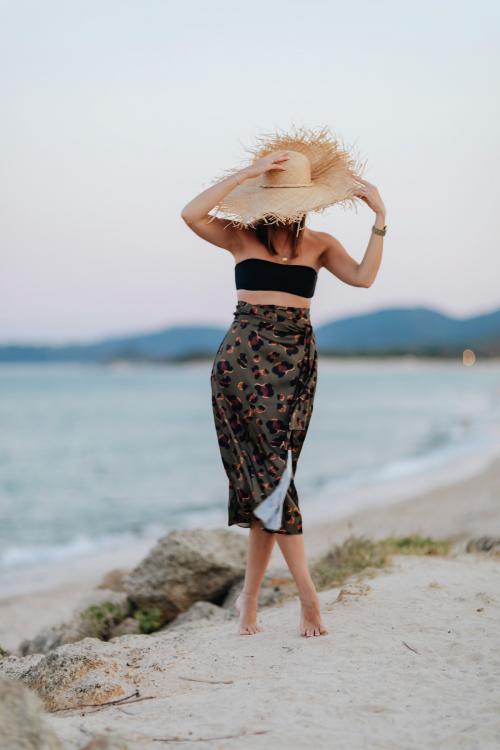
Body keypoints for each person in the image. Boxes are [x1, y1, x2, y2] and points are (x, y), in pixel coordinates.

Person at [181, 126, 387, 637]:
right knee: (273, 480)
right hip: (242, 364)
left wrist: (381, 219)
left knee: (269, 486)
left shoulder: (320, 243)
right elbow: (190, 214)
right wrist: (248, 174)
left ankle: (248, 601)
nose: (288, 207)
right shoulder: (238, 234)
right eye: (277, 196)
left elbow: (363, 278)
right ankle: (308, 598)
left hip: (296, 363)